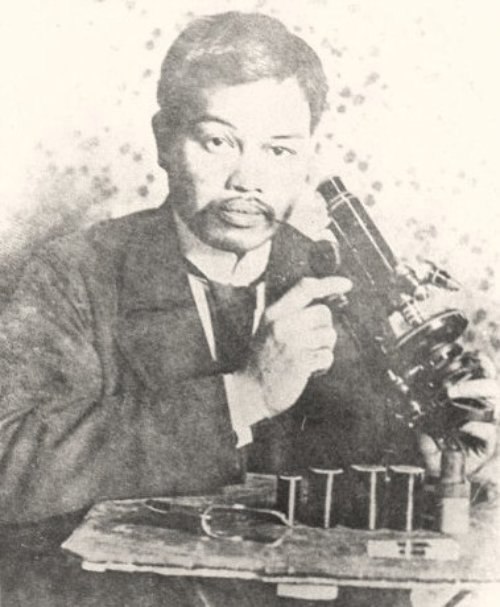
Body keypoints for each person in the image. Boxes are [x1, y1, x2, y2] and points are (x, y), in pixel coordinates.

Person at [0, 11, 497, 607]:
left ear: (309, 156)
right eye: (218, 141)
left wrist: (438, 470)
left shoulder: (343, 279)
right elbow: (11, 464)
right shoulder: (74, 274)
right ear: (163, 139)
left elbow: (372, 505)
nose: (248, 178)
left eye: (279, 150)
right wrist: (246, 393)